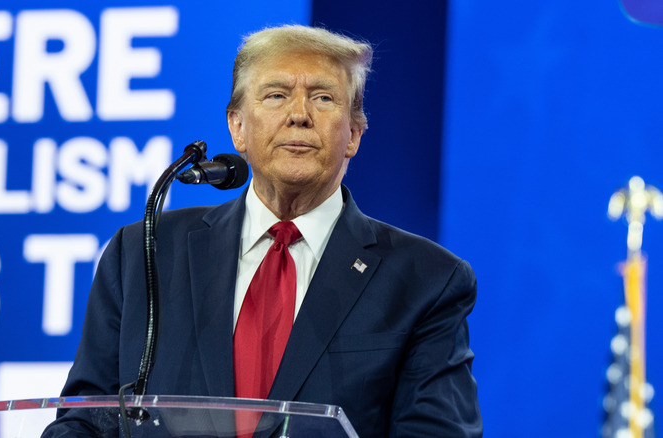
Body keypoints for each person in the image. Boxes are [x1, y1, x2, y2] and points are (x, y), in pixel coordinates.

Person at [43, 25, 481, 437]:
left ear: (355, 134)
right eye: (276, 95)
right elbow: (84, 419)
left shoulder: (426, 280)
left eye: (324, 98)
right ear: (237, 127)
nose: (299, 115)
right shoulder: (145, 253)